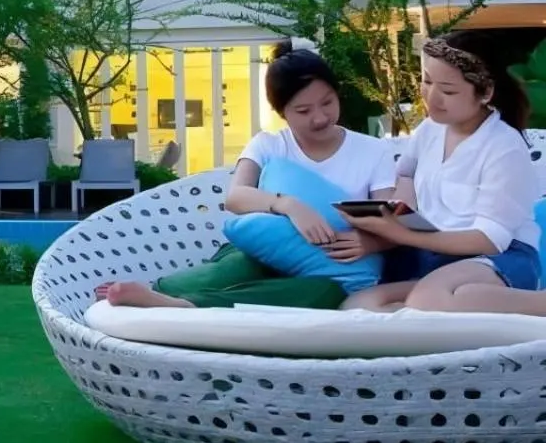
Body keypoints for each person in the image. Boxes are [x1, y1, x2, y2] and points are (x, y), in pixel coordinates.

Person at [96, 39, 397, 310]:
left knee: (323, 294)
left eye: (327, 103)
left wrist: (370, 243)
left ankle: (181, 306)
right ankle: (169, 295)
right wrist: (289, 206)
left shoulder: (373, 152)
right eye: (303, 111)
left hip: (330, 267)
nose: (319, 118)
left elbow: (392, 221)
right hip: (262, 250)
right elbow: (236, 197)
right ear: (282, 112)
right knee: (233, 270)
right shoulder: (269, 144)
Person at [341, 32, 543, 313]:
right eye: (427, 81)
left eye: (448, 90)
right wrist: (396, 214)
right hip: (437, 255)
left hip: (498, 256)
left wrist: (401, 235)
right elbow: (406, 174)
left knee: (428, 301)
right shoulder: (429, 130)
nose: (432, 98)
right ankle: (448, 303)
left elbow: (490, 240)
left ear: (485, 93)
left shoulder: (504, 147)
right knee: (360, 304)